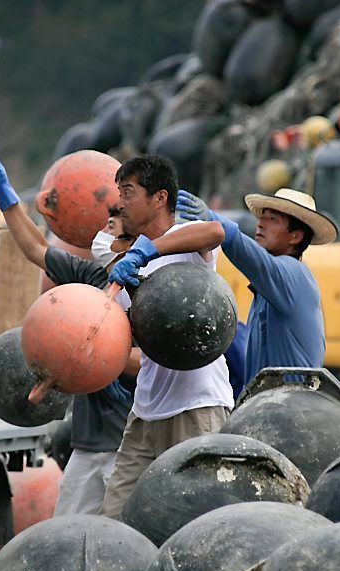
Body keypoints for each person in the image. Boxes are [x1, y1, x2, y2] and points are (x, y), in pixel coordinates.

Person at [0, 147, 136, 516]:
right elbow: (36, 248)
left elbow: (153, 364)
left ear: (132, 243)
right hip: (90, 442)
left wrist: (95, 352)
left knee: (125, 541)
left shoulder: (154, 290)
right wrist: (7, 198)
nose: (102, 236)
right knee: (67, 533)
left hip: (132, 444)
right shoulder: (92, 275)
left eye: (112, 229)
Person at [99, 154, 234, 519]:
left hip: (196, 404)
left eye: (128, 192)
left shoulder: (186, 240)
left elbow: (216, 232)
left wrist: (147, 250)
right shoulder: (126, 257)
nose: (121, 202)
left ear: (160, 198)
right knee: (115, 516)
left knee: (199, 518)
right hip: (146, 408)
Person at [161, 188, 337, 388]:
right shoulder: (268, 289)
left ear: (295, 236)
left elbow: (252, 257)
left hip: (293, 407)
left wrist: (215, 222)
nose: (261, 223)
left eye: (273, 219)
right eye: (263, 217)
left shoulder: (295, 273)